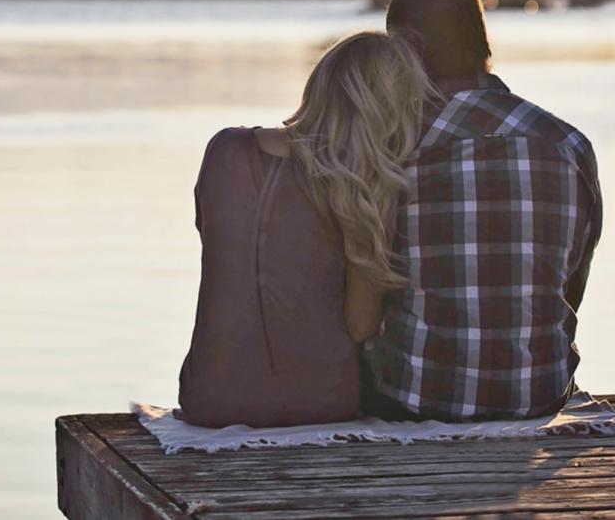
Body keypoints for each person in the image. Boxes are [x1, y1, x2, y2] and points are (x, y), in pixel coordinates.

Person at [363, 0, 602, 422]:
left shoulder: (389, 148)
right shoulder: (569, 144)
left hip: (411, 401)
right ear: (484, 44)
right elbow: (571, 283)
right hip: (539, 396)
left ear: (403, 52)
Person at [177, 31, 432, 428]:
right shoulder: (366, 187)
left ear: (319, 83)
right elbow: (360, 325)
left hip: (209, 398)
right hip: (321, 404)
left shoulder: (225, 149)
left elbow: (217, 240)